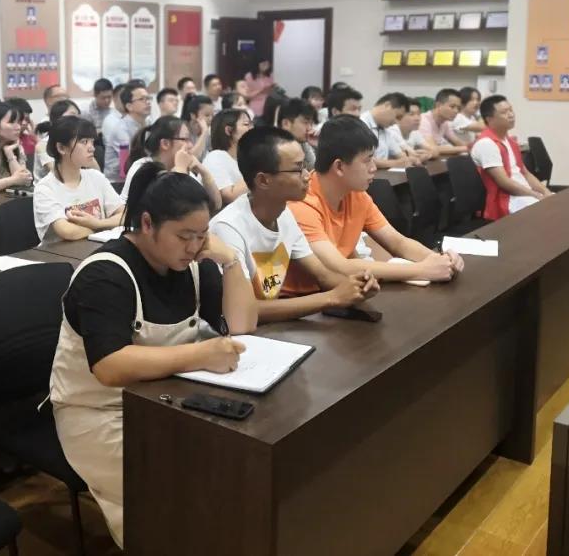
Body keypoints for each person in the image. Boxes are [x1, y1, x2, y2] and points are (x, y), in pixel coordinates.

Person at [50, 163, 257, 548]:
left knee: (230, 469)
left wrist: (229, 261)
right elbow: (109, 366)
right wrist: (200, 354)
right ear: (147, 223)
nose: (194, 247)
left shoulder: (193, 264)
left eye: (202, 235)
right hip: (98, 413)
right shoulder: (105, 274)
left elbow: (243, 325)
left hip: (164, 400)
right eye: (184, 236)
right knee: (173, 494)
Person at [210, 127, 378, 323]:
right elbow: (246, 310)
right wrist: (331, 298)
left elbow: (323, 275)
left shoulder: (284, 214)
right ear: (263, 180)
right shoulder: (228, 228)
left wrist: (356, 285)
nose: (307, 176)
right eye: (297, 170)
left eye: (305, 166)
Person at [284, 117, 464, 290]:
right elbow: (338, 266)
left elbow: (397, 242)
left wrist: (441, 260)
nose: (374, 168)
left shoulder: (356, 195)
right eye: (367, 160)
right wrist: (421, 270)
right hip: (305, 299)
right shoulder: (301, 203)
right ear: (339, 167)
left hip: (343, 291)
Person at [34, 116, 125, 244]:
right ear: (61, 148)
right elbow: (66, 231)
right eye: (84, 142)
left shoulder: (96, 177)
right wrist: (102, 229)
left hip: (95, 249)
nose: (92, 148)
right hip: (62, 254)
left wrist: (99, 224)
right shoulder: (45, 188)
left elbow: (124, 214)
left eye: (92, 142)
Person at [471, 96, 551, 219]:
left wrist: (546, 192)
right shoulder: (486, 144)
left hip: (524, 194)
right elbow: (504, 182)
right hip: (507, 199)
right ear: (489, 119)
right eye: (504, 112)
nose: (511, 115)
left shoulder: (510, 142)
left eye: (511, 110)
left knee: (558, 203)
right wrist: (536, 195)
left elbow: (525, 173)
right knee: (548, 212)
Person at [121, 116, 222, 213]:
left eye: (190, 139)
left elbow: (216, 205)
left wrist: (204, 173)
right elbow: (169, 208)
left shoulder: (182, 169)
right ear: (165, 144)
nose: (191, 145)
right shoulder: (143, 167)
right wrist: (181, 169)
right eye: (185, 139)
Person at [103, 80, 151, 183]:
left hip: (140, 175)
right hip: (118, 182)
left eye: (148, 98)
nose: (148, 102)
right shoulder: (121, 129)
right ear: (129, 106)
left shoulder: (149, 122)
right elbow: (127, 164)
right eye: (142, 99)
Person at [360, 92, 423, 169]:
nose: (396, 122)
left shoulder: (385, 129)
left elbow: (400, 155)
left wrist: (412, 159)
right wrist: (396, 163)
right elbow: (364, 160)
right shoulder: (360, 124)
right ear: (387, 106)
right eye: (397, 116)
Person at [205, 109, 251, 206]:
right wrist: (257, 169)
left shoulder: (245, 159)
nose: (252, 129)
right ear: (229, 130)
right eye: (246, 124)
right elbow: (228, 196)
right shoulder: (215, 157)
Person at [34, 99, 81, 180]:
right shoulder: (43, 145)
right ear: (57, 119)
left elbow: (96, 171)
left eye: (78, 117)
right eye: (72, 115)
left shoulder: (78, 142)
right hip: (49, 187)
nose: (77, 121)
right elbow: (60, 175)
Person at [419, 88, 469, 157]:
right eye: (452, 107)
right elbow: (432, 148)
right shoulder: (423, 120)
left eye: (458, 108)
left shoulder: (445, 122)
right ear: (438, 105)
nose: (456, 111)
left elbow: (458, 142)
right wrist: (465, 148)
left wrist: (473, 145)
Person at [275, 97, 318, 171]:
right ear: (286, 124)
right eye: (306, 122)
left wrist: (317, 146)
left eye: (311, 123)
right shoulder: (274, 149)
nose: (310, 128)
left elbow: (314, 170)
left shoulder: (302, 143)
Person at [181, 94, 214, 161]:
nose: (211, 119)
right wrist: (204, 132)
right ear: (193, 115)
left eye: (212, 115)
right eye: (207, 115)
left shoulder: (208, 132)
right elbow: (190, 159)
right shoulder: (182, 131)